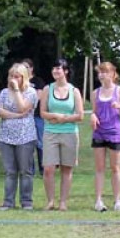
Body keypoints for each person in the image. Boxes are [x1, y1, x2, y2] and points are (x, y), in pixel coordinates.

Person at [39, 59, 84, 211]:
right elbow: (42, 112)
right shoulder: (47, 89)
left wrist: (64, 118)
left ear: (65, 71)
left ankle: (63, 202)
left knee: (67, 169)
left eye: (58, 68)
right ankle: (50, 201)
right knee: (48, 169)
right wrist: (54, 116)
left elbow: (80, 115)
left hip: (69, 133)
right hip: (50, 133)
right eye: (54, 68)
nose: (55, 71)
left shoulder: (74, 91)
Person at [0, 63, 39, 211]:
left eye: (17, 76)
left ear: (23, 77)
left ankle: (26, 201)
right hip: (6, 137)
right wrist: (17, 116)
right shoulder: (3, 92)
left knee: (25, 171)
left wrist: (16, 90)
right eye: (11, 76)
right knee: (10, 171)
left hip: (25, 136)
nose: (13, 79)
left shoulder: (31, 92)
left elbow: (22, 107)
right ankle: (8, 202)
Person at [90, 62, 120, 212]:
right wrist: (93, 116)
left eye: (105, 72)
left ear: (113, 74)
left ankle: (117, 201)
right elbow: (94, 111)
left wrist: (119, 107)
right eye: (100, 72)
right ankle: (98, 201)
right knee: (99, 168)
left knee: (115, 168)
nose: (102, 74)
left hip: (115, 133)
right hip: (99, 132)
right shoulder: (95, 93)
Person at [22, 59, 45, 174]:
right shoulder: (20, 81)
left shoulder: (38, 81)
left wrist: (28, 104)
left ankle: (43, 168)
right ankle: (30, 169)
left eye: (27, 67)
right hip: (25, 116)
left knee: (40, 142)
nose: (25, 69)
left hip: (37, 116)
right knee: (28, 142)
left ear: (31, 68)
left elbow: (39, 96)